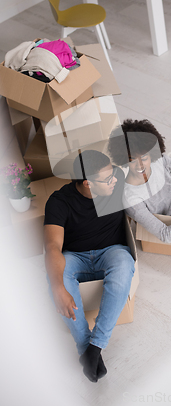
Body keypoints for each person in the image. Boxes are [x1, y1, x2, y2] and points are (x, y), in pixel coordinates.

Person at [44, 150, 135, 383]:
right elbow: (53, 246)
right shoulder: (58, 201)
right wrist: (58, 289)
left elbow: (155, 169)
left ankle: (95, 347)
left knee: (125, 264)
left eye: (113, 174)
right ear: (87, 183)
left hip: (111, 250)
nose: (114, 180)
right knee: (57, 278)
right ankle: (85, 345)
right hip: (75, 256)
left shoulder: (116, 182)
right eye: (107, 179)